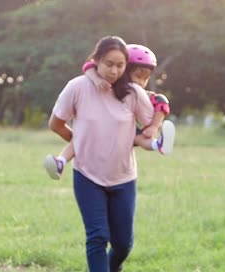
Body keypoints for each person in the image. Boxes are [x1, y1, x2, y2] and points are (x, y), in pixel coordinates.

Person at [48, 36, 155, 272]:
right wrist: (81, 142)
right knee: (97, 237)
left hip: (123, 178)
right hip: (87, 176)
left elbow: (148, 128)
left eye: (120, 65)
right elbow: (55, 123)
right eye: (108, 64)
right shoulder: (77, 87)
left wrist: (156, 133)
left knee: (123, 244)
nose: (114, 71)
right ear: (96, 61)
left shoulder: (133, 94)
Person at [44, 44, 176, 180]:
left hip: (126, 133)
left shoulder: (143, 94)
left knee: (141, 138)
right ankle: (60, 162)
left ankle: (158, 144)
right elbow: (89, 67)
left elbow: (162, 102)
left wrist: (154, 126)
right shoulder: (106, 85)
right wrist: (96, 79)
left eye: (145, 78)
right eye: (137, 76)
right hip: (101, 134)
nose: (141, 83)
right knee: (80, 138)